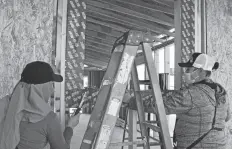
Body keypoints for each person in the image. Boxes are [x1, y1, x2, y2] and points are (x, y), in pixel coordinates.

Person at [128, 53, 231, 149]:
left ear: (200, 71)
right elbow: (227, 117)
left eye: (189, 69)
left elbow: (160, 105)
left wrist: (131, 101)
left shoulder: (192, 93)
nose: (185, 72)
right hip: (220, 144)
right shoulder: (220, 90)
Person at [0, 61, 81, 149]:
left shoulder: (4, 105)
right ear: (42, 87)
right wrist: (70, 127)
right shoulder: (49, 119)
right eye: (51, 84)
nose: (52, 90)